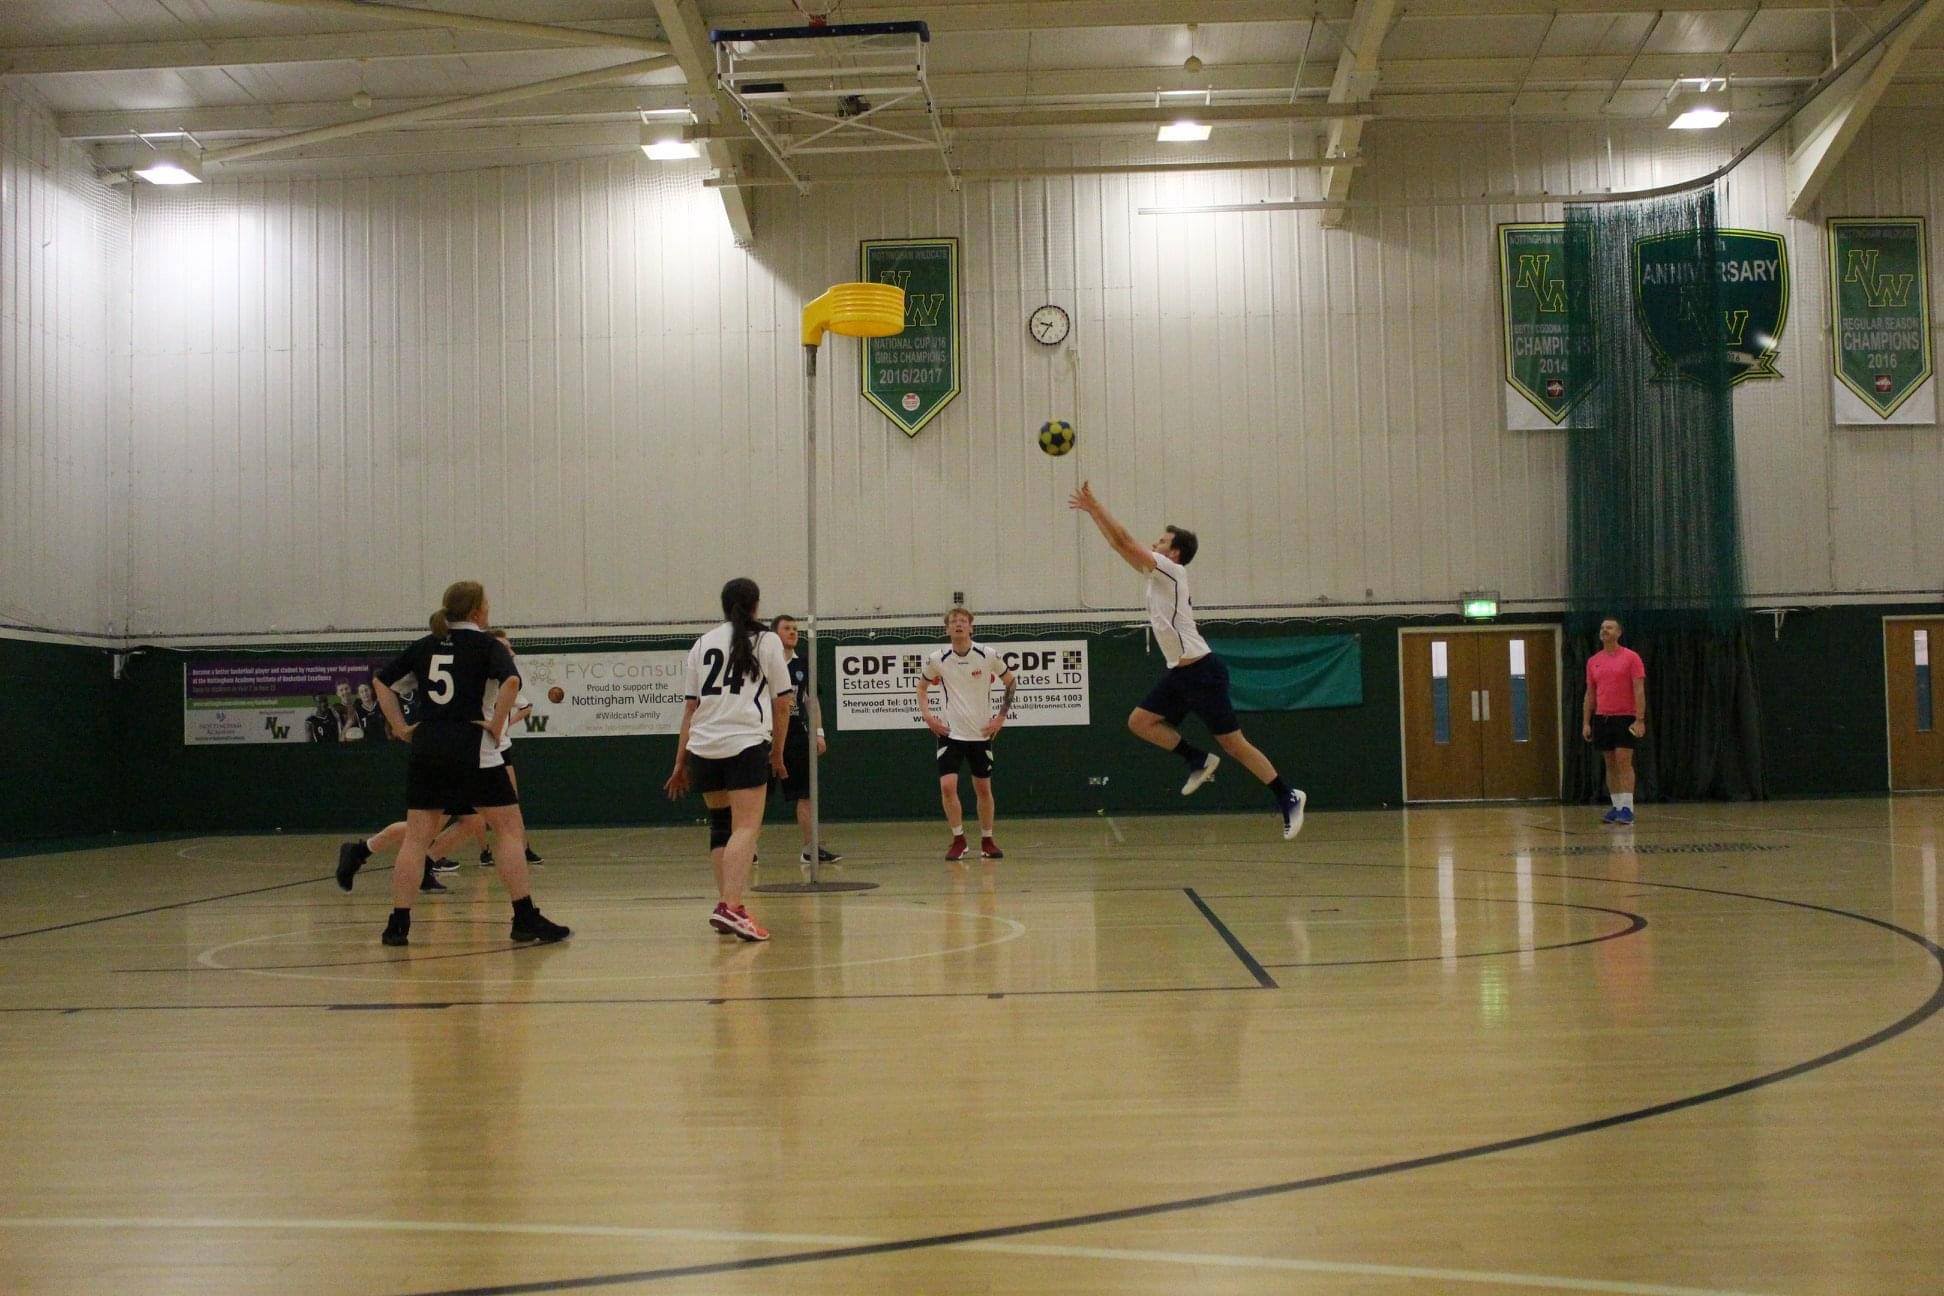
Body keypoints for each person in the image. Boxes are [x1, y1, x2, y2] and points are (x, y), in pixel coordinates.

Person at [335, 580, 569, 948]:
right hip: (472, 745)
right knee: (509, 829)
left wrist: (399, 727)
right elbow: (510, 681)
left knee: (416, 837)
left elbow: (381, 682)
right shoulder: (487, 644)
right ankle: (525, 917)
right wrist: (496, 723)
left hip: (428, 745)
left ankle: (398, 925)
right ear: (478, 611)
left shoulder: (426, 646)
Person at [1068, 480, 1306, 839]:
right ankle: (1197, 759)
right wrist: (1093, 514)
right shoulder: (1156, 577)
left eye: (1162, 542)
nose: (1154, 545)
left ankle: (1287, 795)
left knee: (1234, 745)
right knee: (1140, 722)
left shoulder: (1171, 571)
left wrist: (1095, 506)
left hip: (1202, 671)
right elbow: (1121, 548)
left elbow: (1124, 541)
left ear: (1174, 554)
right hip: (1179, 674)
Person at [664, 578, 794, 942]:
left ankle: (726, 904)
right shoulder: (767, 640)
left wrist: (679, 763)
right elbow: (783, 702)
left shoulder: (701, 643)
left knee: (721, 825)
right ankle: (732, 907)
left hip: (704, 747)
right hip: (745, 743)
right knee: (747, 828)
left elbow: (690, 708)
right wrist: (778, 753)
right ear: (755, 605)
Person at [916, 606, 1016, 861]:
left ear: (971, 627)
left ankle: (987, 839)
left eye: (963, 621)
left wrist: (1001, 717)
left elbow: (1011, 682)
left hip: (981, 734)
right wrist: (928, 717)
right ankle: (959, 839)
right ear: (947, 628)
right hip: (950, 733)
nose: (958, 625)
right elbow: (922, 687)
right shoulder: (938, 658)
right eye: (953, 621)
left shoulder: (987, 654)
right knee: (947, 786)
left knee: (983, 788)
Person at [771, 614, 842, 866]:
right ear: (774, 634)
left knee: (807, 793)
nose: (792, 632)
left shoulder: (803, 666)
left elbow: (811, 702)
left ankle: (811, 848)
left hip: (795, 734)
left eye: (795, 629)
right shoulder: (765, 663)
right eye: (787, 628)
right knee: (754, 795)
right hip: (765, 734)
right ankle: (748, 849)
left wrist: (819, 733)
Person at [471, 628, 544, 867]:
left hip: (498, 747)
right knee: (466, 815)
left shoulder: (503, 681)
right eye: (505, 647)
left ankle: (521, 849)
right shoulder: (480, 679)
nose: (511, 652)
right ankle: (434, 855)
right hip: (477, 749)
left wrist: (504, 723)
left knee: (505, 806)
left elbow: (525, 705)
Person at [1581, 617, 1646, 825]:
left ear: (1618, 633)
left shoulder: (1631, 658)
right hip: (1602, 717)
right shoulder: (1593, 661)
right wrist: (1586, 722)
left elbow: (1638, 689)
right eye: (1602, 628)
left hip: (1625, 717)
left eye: (1609, 628)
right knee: (1609, 762)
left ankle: (1627, 807)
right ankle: (1617, 806)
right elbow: (1590, 694)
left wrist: (1640, 719)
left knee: (1623, 760)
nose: (1604, 631)